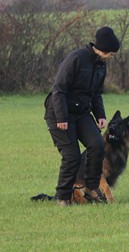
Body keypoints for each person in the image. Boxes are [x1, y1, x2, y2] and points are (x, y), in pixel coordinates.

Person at [44, 26, 120, 206]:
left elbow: (97, 93)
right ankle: (63, 197)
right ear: (103, 49)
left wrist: (100, 115)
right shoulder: (76, 59)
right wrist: (62, 118)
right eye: (110, 53)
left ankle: (91, 187)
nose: (111, 56)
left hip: (81, 112)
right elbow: (59, 89)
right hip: (59, 112)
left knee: (98, 144)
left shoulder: (101, 65)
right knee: (72, 156)